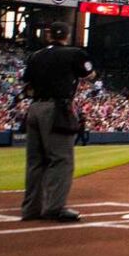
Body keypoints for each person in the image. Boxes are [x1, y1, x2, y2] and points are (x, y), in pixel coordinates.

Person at [20, 20, 94, 222]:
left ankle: (30, 209)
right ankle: (54, 207)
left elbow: (28, 85)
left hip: (34, 108)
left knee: (35, 161)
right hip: (56, 109)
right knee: (61, 159)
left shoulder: (35, 56)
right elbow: (90, 74)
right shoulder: (74, 53)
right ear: (67, 36)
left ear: (49, 35)